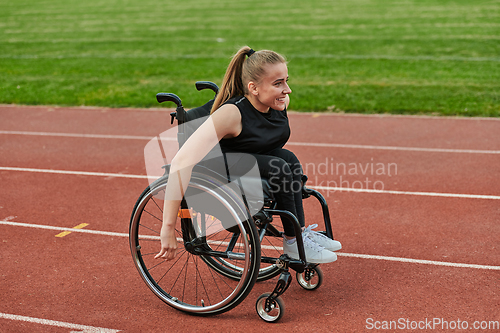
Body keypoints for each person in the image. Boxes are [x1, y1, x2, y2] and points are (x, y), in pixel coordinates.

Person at [155, 46, 341, 263]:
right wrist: (167, 227)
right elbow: (182, 161)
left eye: (286, 80)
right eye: (278, 83)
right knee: (278, 166)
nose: (287, 90)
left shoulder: (277, 103)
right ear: (253, 88)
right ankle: (293, 242)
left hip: (247, 158)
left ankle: (299, 234)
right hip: (211, 164)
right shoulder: (232, 114)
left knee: (289, 159)